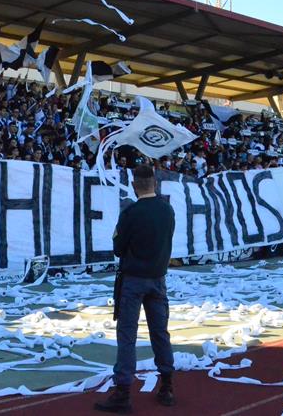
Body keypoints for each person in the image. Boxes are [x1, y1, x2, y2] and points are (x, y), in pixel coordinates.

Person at [95, 163, 176, 413]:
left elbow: (118, 248)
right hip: (158, 278)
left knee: (127, 335)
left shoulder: (130, 213)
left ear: (134, 185)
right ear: (155, 182)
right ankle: (167, 386)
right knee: (160, 332)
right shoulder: (167, 210)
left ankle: (122, 392)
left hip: (133, 280)